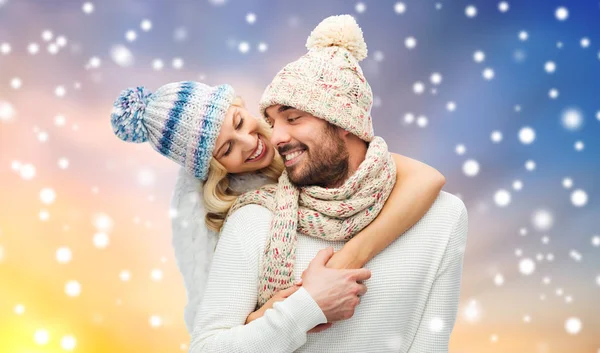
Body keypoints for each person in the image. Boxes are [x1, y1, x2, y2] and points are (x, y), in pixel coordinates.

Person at [188, 15, 468, 353]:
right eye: (272, 122)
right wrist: (306, 307)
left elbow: (431, 343)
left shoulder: (443, 216)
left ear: (343, 121)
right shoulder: (254, 219)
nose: (275, 137)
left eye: (293, 118)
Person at [110, 67, 445, 334]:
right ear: (213, 169)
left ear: (240, 105)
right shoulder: (238, 215)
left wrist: (350, 257)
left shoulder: (303, 140)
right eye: (227, 149)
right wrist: (275, 312)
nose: (249, 142)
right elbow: (219, 328)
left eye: (240, 122)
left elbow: (426, 179)